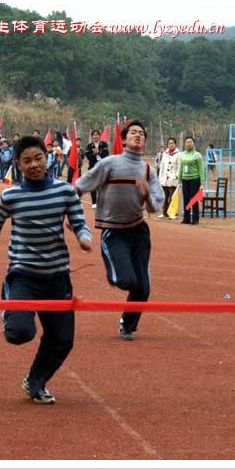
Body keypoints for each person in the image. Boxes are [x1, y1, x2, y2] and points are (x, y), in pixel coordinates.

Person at [0, 135, 92, 404]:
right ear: (18, 164)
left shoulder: (65, 191)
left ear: (48, 157)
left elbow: (79, 221)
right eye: (27, 161)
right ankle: (11, 307)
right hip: (24, 274)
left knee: (62, 340)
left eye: (38, 158)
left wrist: (83, 237)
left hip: (57, 276)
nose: (34, 165)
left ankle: (36, 380)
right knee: (20, 333)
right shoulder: (11, 196)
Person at [75, 120, 164, 341]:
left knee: (143, 288)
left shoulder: (147, 170)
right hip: (113, 232)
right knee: (127, 281)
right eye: (133, 132)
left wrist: (146, 195)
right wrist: (68, 208)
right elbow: (82, 184)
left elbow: (155, 206)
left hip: (139, 232)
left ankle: (127, 323)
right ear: (123, 140)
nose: (138, 136)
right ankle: (116, 273)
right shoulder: (110, 164)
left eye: (142, 134)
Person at [178, 136, 204, 225]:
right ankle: (186, 218)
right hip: (185, 179)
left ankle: (195, 219)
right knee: (186, 199)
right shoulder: (182, 154)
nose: (188, 143)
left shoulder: (197, 155)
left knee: (194, 199)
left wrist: (202, 181)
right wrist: (179, 178)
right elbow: (181, 167)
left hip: (195, 179)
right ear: (185, 144)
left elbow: (201, 169)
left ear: (193, 143)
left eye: (190, 142)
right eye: (187, 142)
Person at [84, 129, 110, 209]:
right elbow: (88, 156)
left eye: (97, 134)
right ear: (92, 137)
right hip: (93, 167)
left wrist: (98, 152)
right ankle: (94, 202)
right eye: (94, 135)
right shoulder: (89, 146)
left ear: (99, 136)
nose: (95, 136)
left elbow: (106, 154)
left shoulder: (104, 144)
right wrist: (94, 154)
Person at [158, 138, 181, 219]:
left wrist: (176, 176)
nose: (171, 145)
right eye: (169, 143)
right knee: (164, 196)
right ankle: (164, 213)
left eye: (172, 143)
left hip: (173, 179)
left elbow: (179, 166)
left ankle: (173, 213)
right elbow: (162, 166)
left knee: (172, 197)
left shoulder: (178, 154)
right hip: (164, 179)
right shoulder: (165, 153)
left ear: (175, 144)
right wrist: (160, 177)